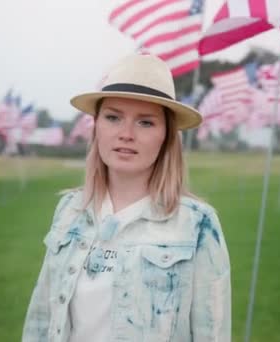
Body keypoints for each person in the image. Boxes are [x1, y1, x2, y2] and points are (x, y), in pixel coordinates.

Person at [22, 54, 231, 342]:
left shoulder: (197, 224)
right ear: (96, 127)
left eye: (145, 123)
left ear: (166, 136)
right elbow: (41, 319)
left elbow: (212, 333)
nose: (126, 134)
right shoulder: (70, 210)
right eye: (113, 117)